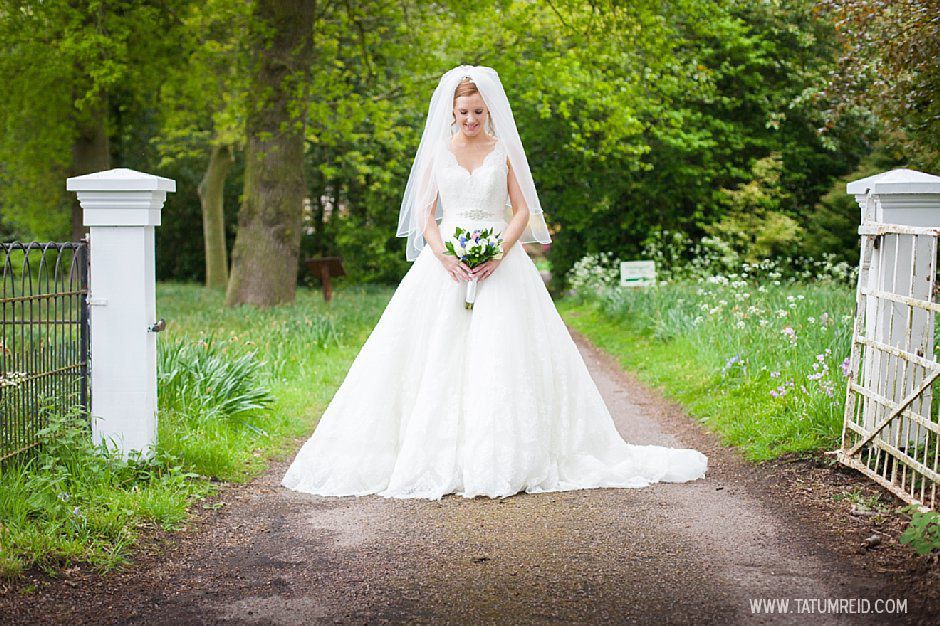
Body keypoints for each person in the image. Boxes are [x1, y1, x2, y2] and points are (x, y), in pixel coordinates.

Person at [281, 65, 707, 500]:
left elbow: (522, 211)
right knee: (430, 355)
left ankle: (504, 454)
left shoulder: (503, 151)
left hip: (500, 261)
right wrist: (444, 255)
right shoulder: (437, 152)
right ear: (451, 110)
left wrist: (499, 252)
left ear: (489, 111)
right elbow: (425, 214)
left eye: (479, 111)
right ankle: (433, 451)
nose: (471, 119)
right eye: (464, 111)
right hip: (445, 263)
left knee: (503, 355)